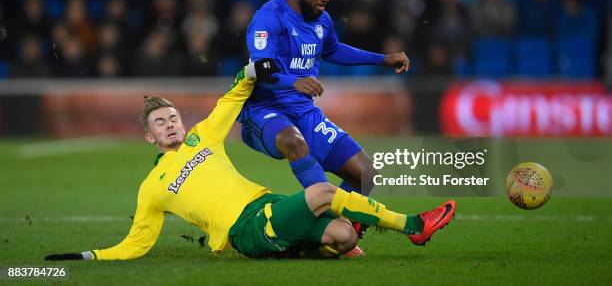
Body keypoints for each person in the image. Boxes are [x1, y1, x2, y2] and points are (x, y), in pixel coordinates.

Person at [44, 60, 455, 261]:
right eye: (160, 123)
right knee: (324, 192)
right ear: (150, 136)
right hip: (246, 229)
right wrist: (89, 257)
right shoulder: (152, 188)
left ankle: (295, 249)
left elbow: (232, 98)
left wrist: (251, 70)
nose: (170, 125)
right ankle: (413, 226)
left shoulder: (203, 136)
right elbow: (135, 243)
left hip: (266, 205)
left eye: (172, 117)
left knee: (345, 238)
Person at [239, 0, 410, 246]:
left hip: (303, 110)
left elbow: (334, 50)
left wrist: (382, 59)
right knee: (293, 141)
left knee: (365, 173)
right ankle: (331, 227)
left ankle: (336, 234)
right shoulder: (269, 17)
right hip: (263, 109)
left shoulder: (322, 20)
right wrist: (292, 81)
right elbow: (259, 68)